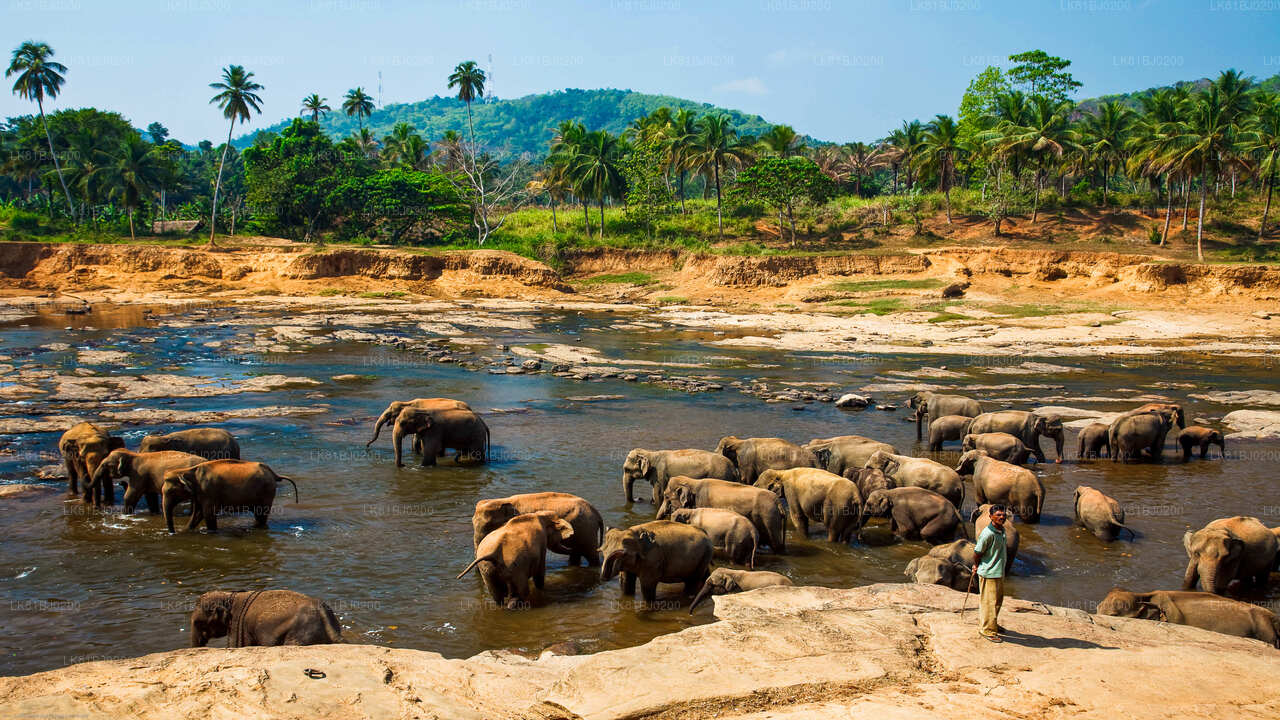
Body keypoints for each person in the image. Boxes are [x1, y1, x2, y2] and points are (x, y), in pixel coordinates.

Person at [972, 505, 1010, 642]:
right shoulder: (988, 534)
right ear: (991, 517)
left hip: (999, 571)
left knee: (997, 601)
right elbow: (977, 553)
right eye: (998, 515)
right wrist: (976, 565)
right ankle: (987, 630)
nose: (1002, 517)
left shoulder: (1001, 530)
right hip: (989, 573)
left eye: (1003, 515)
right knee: (989, 603)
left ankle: (992, 623)